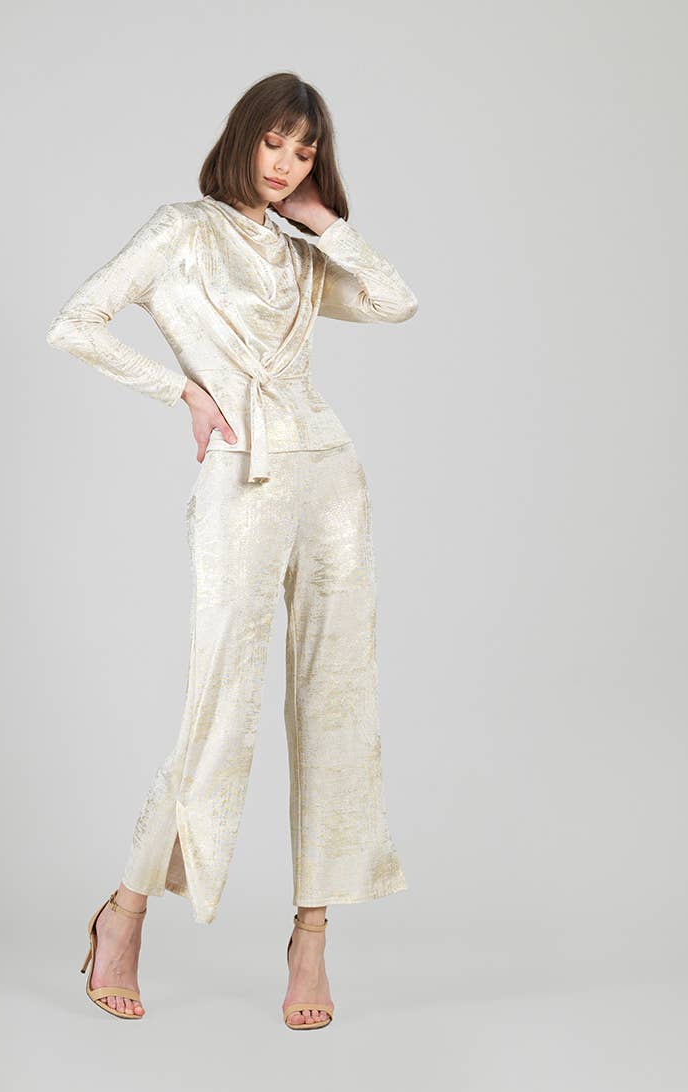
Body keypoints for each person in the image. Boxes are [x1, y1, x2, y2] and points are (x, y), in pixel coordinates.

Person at [48, 72, 418, 1030]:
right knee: (221, 703)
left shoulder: (297, 253)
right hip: (244, 476)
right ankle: (125, 913)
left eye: (305, 150)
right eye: (275, 141)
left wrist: (322, 222)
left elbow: (395, 301)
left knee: (337, 698)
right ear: (243, 137)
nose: (286, 162)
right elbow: (77, 321)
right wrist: (183, 392)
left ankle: (312, 937)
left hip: (330, 475)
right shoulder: (183, 229)